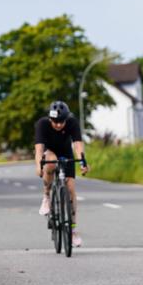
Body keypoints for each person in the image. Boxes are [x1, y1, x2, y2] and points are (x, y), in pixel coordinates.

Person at [35, 101, 88, 247]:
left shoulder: (72, 122)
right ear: (50, 119)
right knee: (51, 162)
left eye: (61, 121)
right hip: (49, 151)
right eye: (55, 121)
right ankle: (46, 197)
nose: (58, 125)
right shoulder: (42, 124)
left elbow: (78, 144)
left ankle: (72, 230)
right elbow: (39, 149)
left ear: (66, 118)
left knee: (71, 190)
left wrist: (83, 162)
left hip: (65, 152)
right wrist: (38, 165)